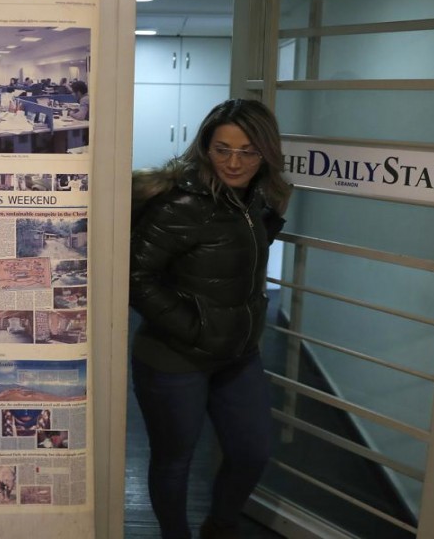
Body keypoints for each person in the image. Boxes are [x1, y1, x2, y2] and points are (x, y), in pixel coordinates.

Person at [129, 99, 291, 539]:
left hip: (237, 354)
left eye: (248, 152)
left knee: (252, 452)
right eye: (223, 149)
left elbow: (236, 250)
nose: (234, 162)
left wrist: (271, 215)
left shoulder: (252, 197)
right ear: (205, 147)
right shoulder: (180, 203)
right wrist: (197, 328)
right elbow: (135, 276)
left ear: (265, 154)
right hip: (174, 357)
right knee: (174, 462)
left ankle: (220, 528)